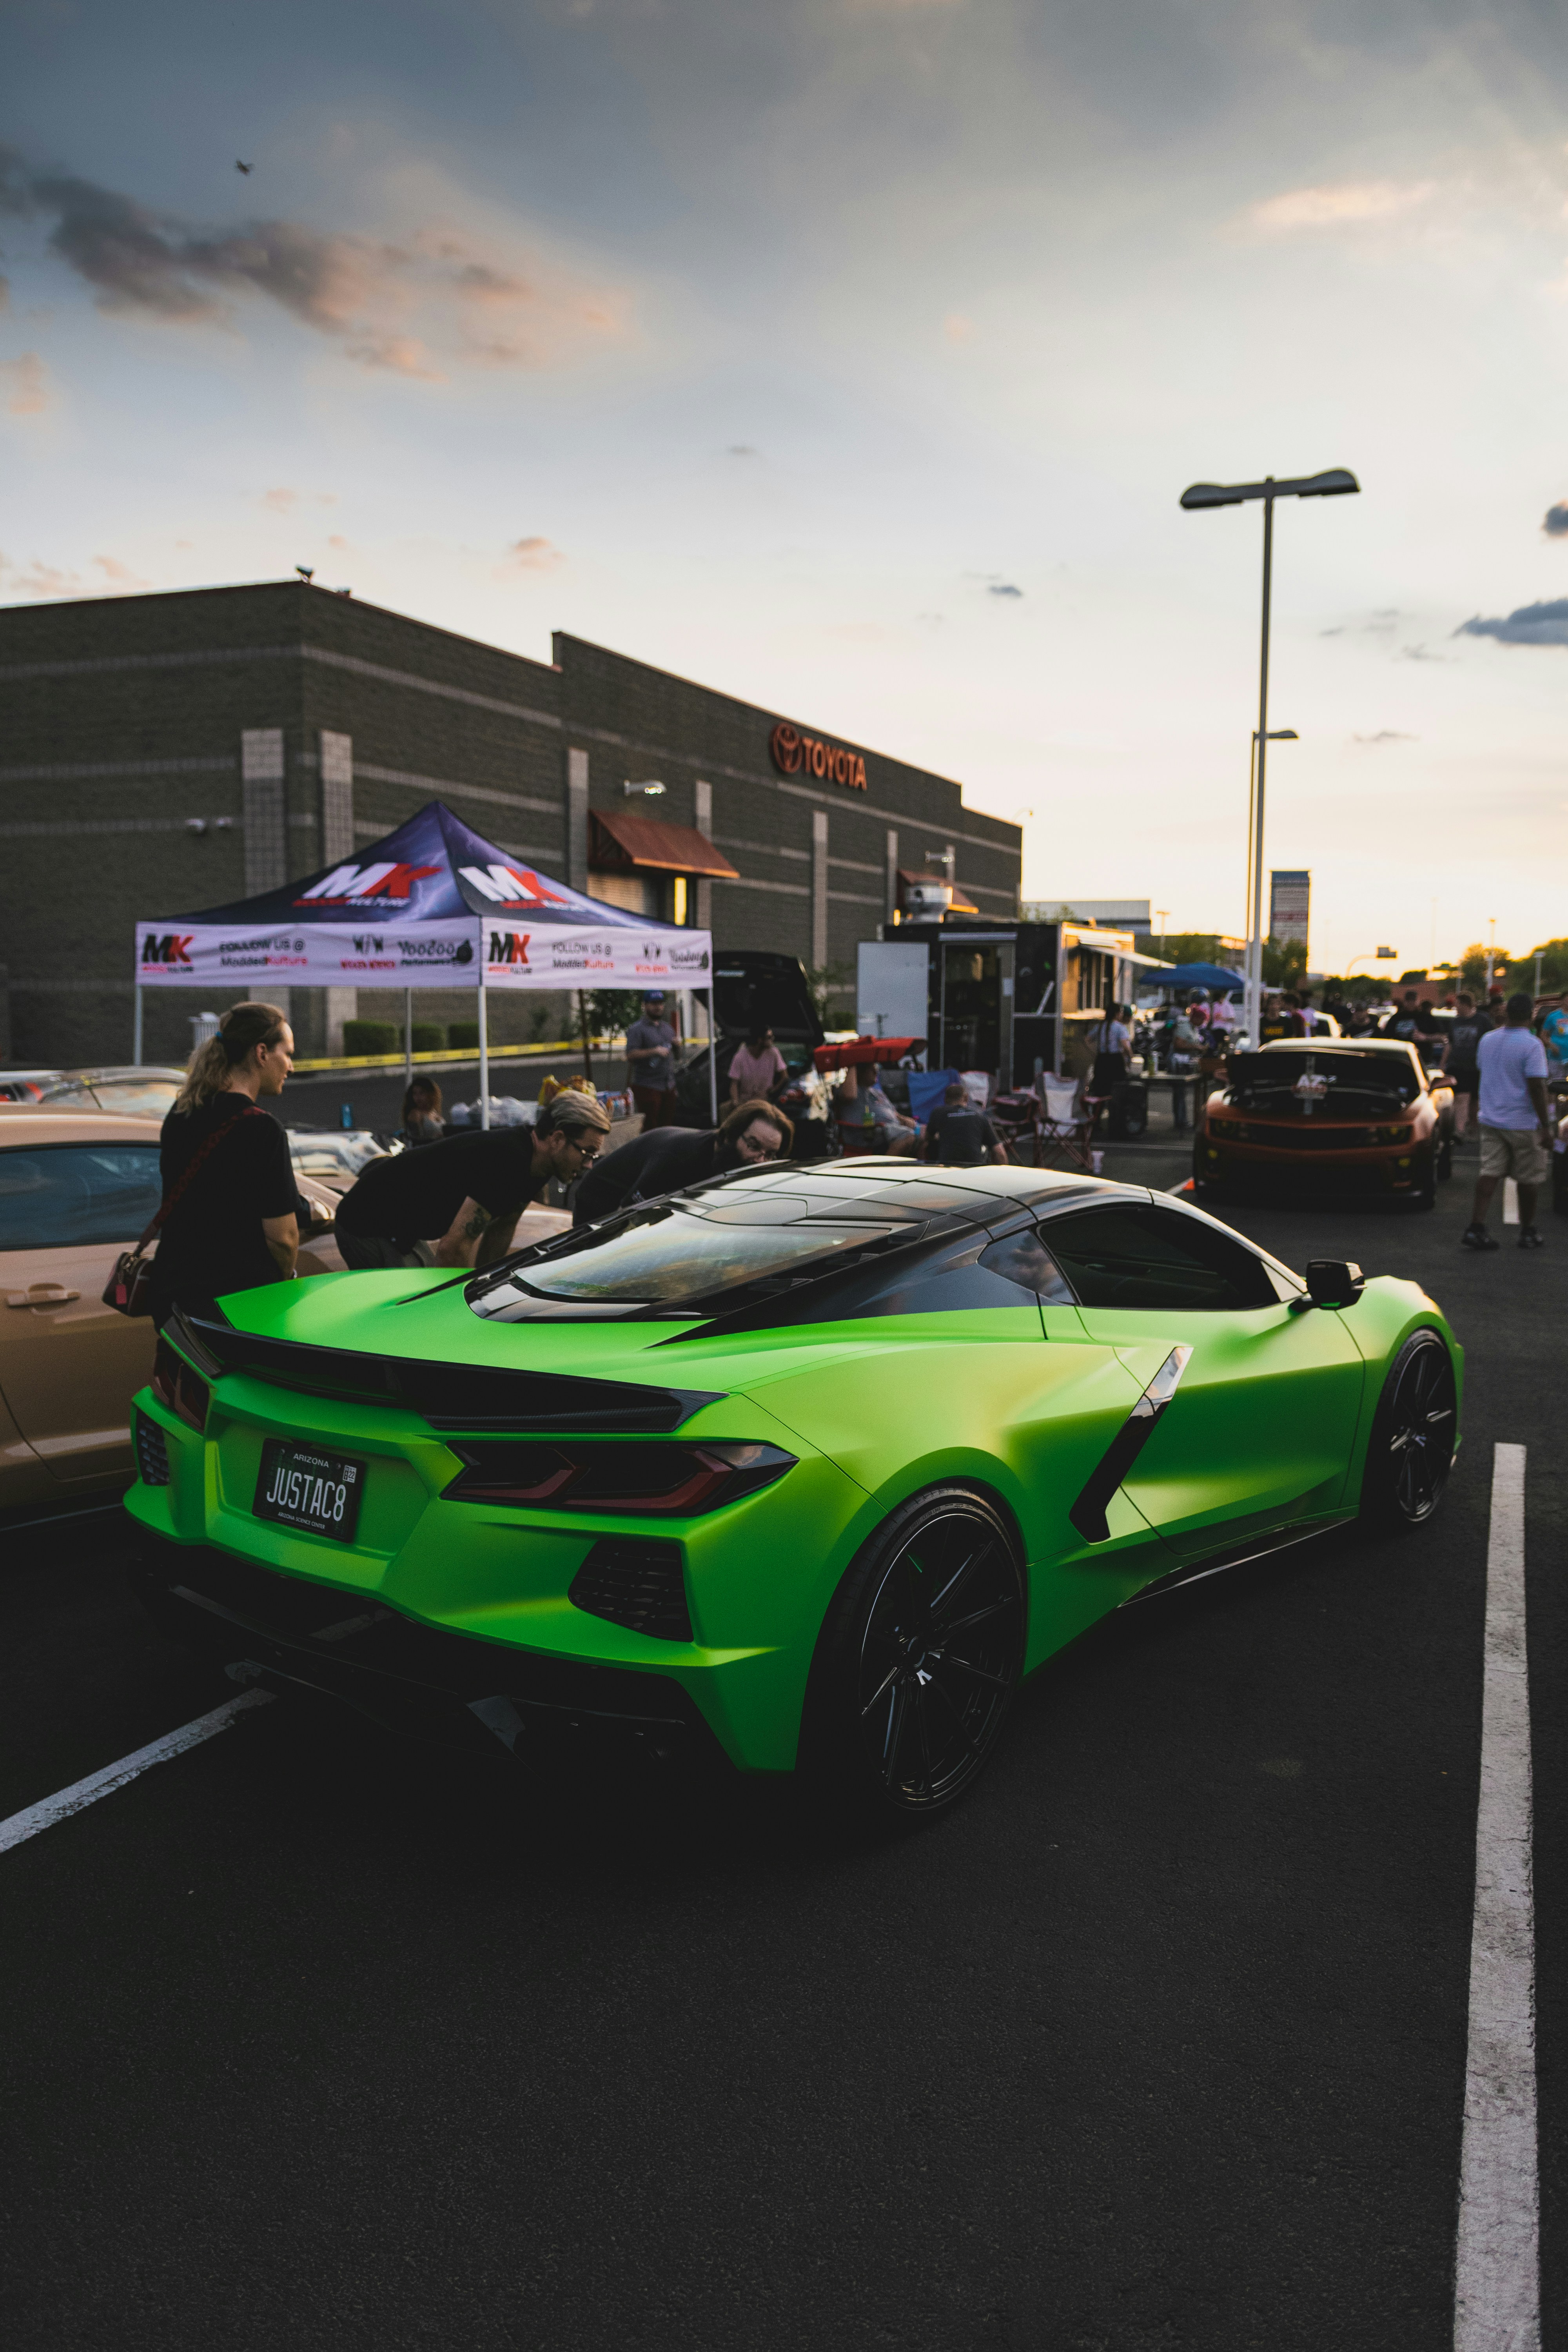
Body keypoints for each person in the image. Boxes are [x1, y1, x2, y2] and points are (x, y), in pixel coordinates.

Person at [335, 1089, 613, 1268]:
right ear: (558, 1139)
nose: (589, 1165)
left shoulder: (538, 1163)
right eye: (586, 1152)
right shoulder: (509, 1161)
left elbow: (502, 1230)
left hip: (400, 1225)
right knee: (413, 1310)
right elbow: (453, 1248)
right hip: (367, 1220)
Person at [149, 1001, 301, 1328]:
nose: (291, 1067)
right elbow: (283, 1238)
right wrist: (288, 1276)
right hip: (237, 1307)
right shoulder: (262, 1128)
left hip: (175, 1305)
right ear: (261, 1053)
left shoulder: (180, 1115)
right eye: (287, 1054)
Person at [572, 1098, 792, 1225]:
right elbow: (630, 1214)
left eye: (771, 1154)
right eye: (754, 1146)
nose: (761, 1160)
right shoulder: (679, 1159)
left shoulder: (728, 1157)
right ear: (728, 1137)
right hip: (601, 1201)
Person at [1460, 993, 1552, 1252]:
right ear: (1532, 1014)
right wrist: (1546, 1126)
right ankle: (1528, 1231)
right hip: (1524, 1122)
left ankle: (1476, 1227)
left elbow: (1484, 1070)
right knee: (1529, 1179)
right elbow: (1536, 1086)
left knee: (1489, 1173)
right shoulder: (1532, 1045)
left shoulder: (1488, 1040)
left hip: (1491, 1118)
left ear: (1507, 1012)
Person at [835, 1062, 918, 1156]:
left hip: (892, 1130)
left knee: (926, 1136)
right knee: (908, 1137)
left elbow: (892, 1113)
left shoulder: (877, 1093)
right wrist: (852, 1065)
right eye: (872, 1069)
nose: (876, 1072)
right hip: (868, 1135)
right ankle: (884, 1170)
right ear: (860, 1072)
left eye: (877, 1068)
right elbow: (848, 1096)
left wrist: (904, 1119)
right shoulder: (850, 1092)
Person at [623, 991, 679, 1129]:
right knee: (650, 1128)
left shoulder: (668, 1029)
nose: (658, 1007)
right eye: (654, 1004)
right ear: (645, 1006)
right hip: (648, 1086)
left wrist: (678, 1046)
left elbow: (677, 1057)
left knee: (667, 1127)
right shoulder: (637, 1029)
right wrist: (654, 1051)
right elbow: (630, 1055)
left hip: (668, 1085)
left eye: (660, 1004)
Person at [922, 1080, 1006, 1167]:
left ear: (946, 1099)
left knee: (925, 1145)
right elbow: (999, 1152)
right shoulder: (980, 1116)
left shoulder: (938, 1112)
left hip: (947, 1167)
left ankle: (924, 1172)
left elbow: (927, 1138)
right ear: (966, 1098)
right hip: (974, 1167)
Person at [1446, 992, 1487, 1140]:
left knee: (1475, 1099)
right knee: (1461, 1097)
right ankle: (1460, 1130)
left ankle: (1474, 1126)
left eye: (1457, 1004)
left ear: (1465, 1004)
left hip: (1477, 1066)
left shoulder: (1482, 1020)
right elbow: (1450, 1044)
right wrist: (1443, 1063)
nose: (1455, 1007)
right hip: (1459, 1065)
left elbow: (1489, 1042)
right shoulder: (1455, 1022)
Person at [728, 1025, 788, 1108]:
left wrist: (774, 1090)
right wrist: (735, 1101)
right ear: (760, 1040)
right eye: (769, 1037)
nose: (773, 1039)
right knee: (724, 1109)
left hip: (764, 1101)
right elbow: (734, 1083)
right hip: (745, 1102)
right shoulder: (740, 1057)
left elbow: (784, 1076)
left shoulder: (773, 1053)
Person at [399, 1076, 447, 1146]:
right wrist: (434, 1138)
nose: (418, 1097)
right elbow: (416, 1139)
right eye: (415, 1094)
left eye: (422, 1093)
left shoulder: (434, 1112)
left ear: (430, 1094)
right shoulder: (416, 1114)